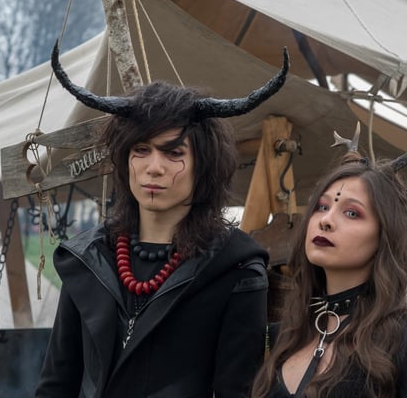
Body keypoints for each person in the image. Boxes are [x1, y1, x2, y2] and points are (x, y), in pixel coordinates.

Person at [36, 42, 289, 397]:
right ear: (125, 159)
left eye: (173, 153)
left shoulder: (237, 268)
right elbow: (56, 384)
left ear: (203, 164)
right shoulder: (89, 258)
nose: (154, 167)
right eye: (141, 150)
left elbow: (236, 390)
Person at [251, 129, 407, 398]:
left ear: (384, 235)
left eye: (352, 213)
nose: (326, 220)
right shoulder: (275, 340)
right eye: (321, 207)